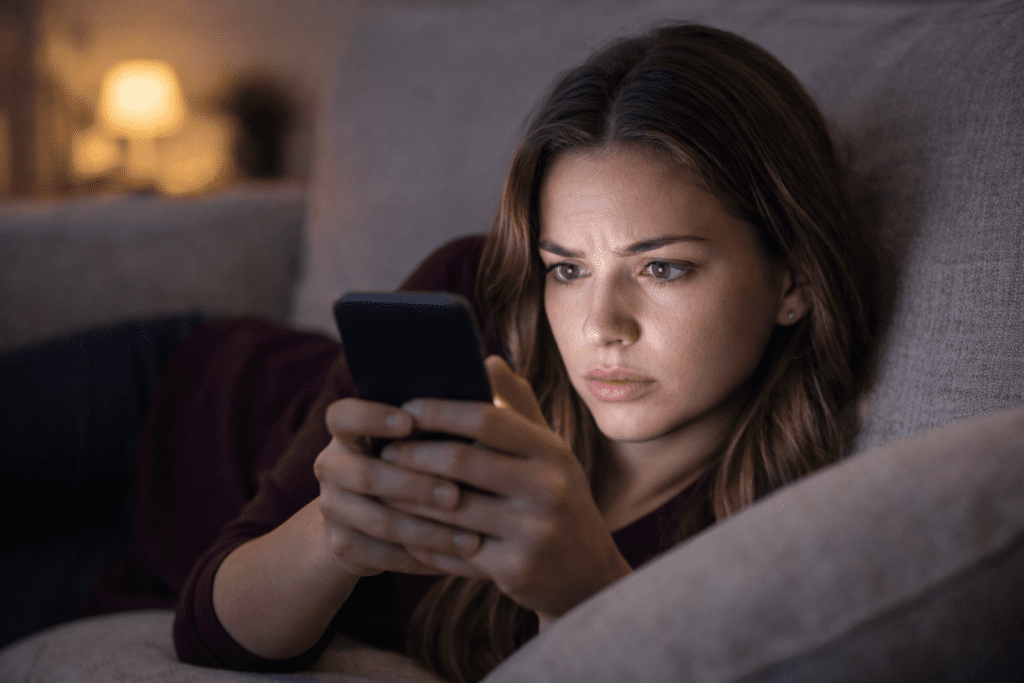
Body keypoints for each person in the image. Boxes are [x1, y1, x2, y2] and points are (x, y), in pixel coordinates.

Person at [0, 22, 886, 683]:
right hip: (176, 399)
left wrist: (583, 589)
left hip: (148, 572)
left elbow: (208, 636)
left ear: (793, 281)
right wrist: (333, 528)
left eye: (662, 267)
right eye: (567, 268)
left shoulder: (772, 533)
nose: (601, 325)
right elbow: (226, 596)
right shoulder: (477, 296)